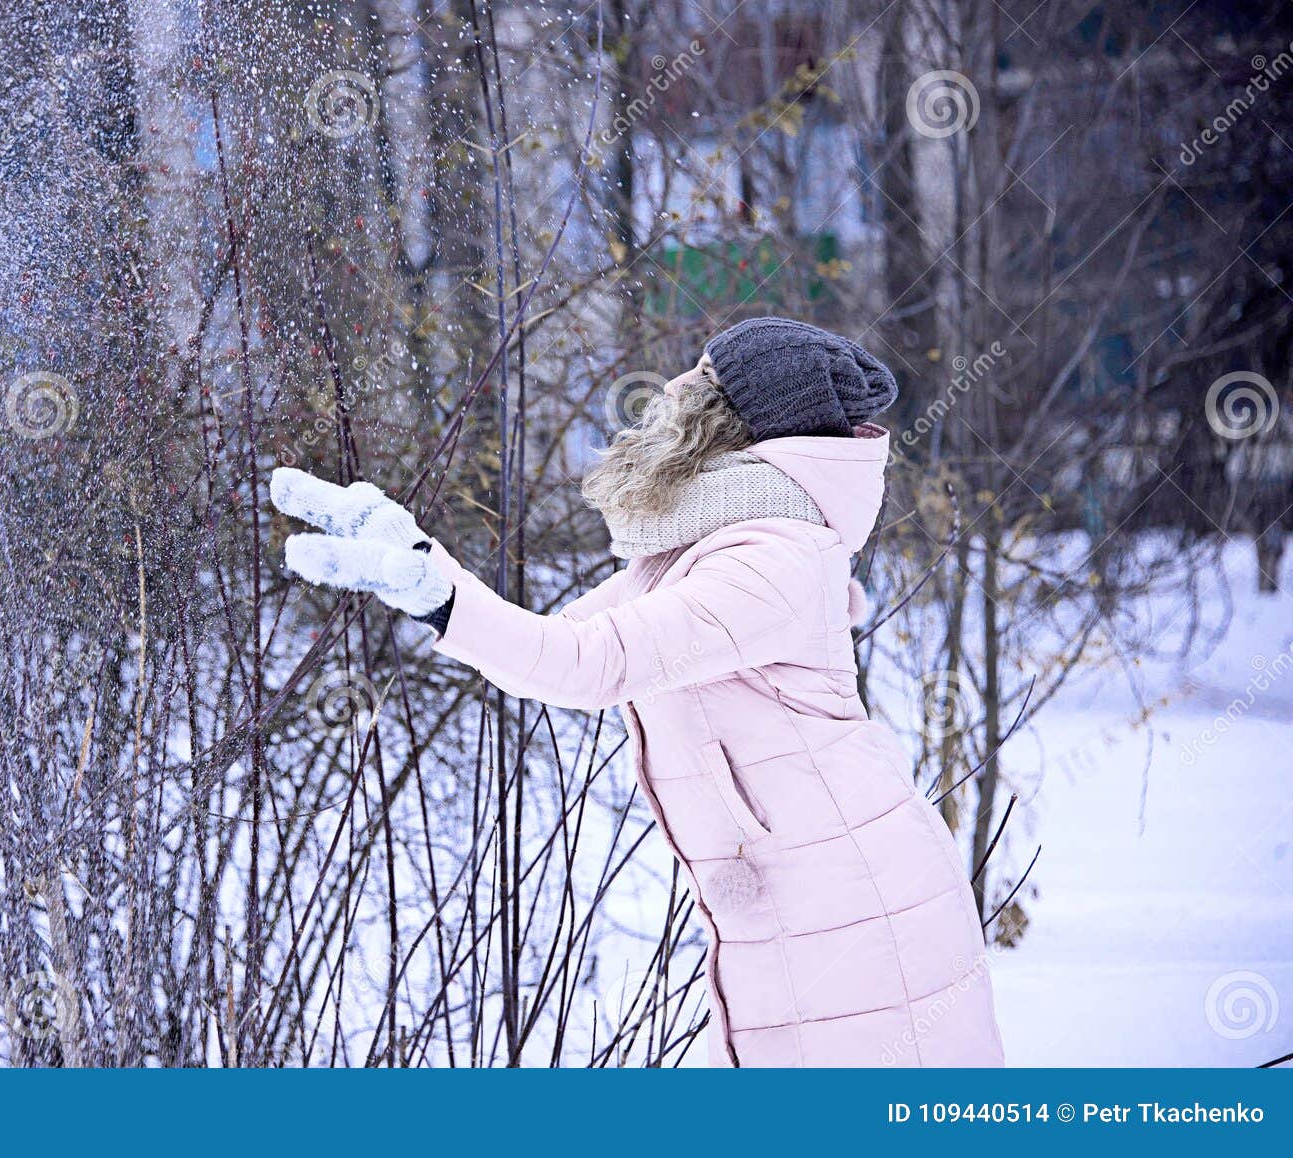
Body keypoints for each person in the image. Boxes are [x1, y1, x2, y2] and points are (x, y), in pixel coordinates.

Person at [271, 317, 1006, 1067]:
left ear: (737, 420)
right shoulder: (703, 545)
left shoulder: (773, 557)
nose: (676, 391)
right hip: (803, 900)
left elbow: (591, 664)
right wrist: (424, 562)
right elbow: (555, 648)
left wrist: (442, 596)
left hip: (857, 909)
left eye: (706, 379)